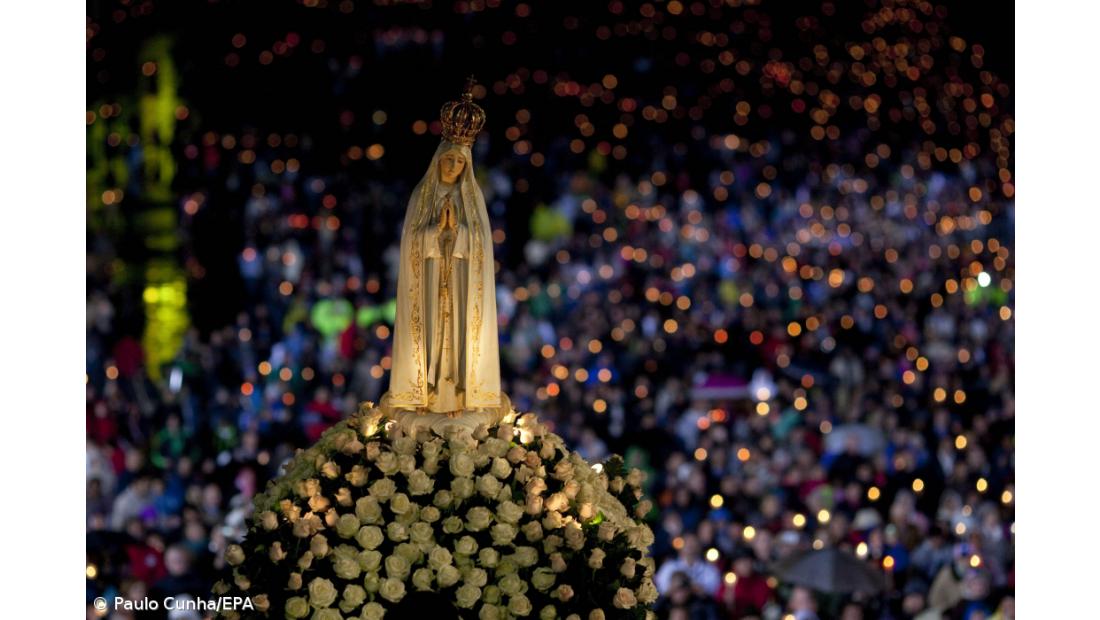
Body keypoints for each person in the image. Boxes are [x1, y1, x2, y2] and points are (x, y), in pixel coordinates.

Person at [385, 80, 503, 416]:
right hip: (430, 280)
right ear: (438, 160)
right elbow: (412, 242)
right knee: (433, 336)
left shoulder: (471, 202)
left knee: (459, 336)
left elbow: (480, 246)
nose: (452, 167)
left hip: (461, 283)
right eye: (448, 160)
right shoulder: (422, 199)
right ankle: (427, 387)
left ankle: (461, 388)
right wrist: (437, 232)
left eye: (459, 163)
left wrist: (459, 231)